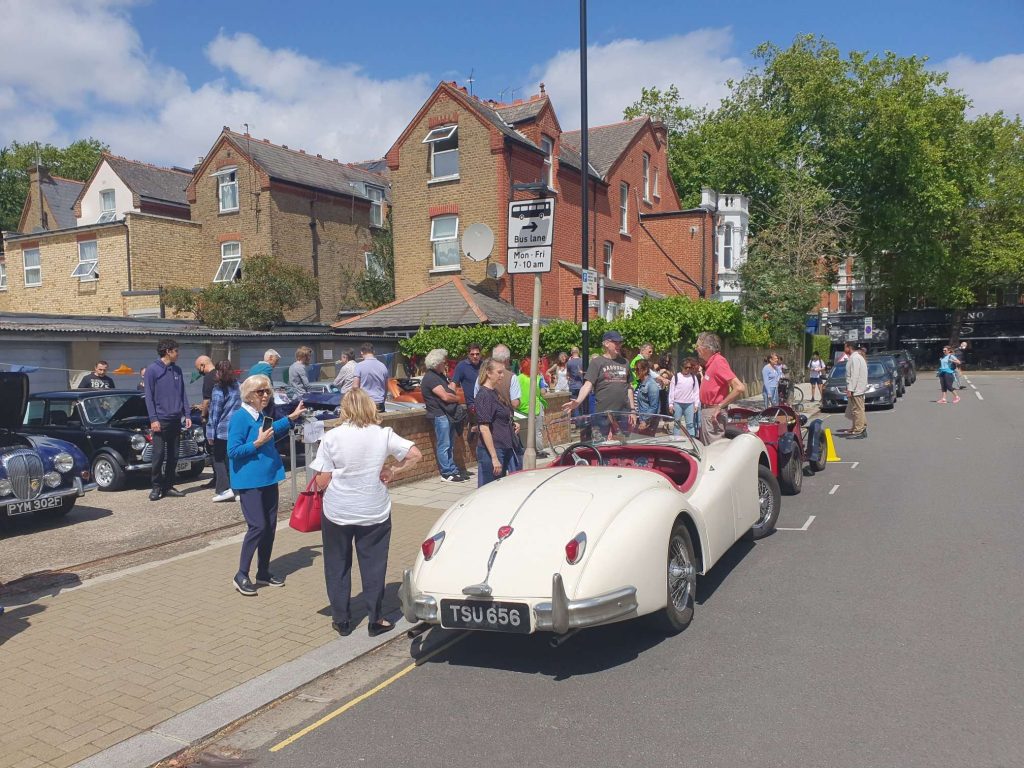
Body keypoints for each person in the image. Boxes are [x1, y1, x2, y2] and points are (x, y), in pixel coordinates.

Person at [311, 388, 422, 637]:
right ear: (370, 407)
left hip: (338, 511)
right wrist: (393, 471)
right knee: (374, 565)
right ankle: (375, 618)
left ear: (345, 408)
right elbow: (415, 454)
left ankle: (341, 619)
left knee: (337, 564)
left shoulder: (332, 436)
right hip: (374, 510)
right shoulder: (383, 434)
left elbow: (321, 480)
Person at [227, 375, 305, 596]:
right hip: (249, 481)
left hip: (269, 477)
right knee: (258, 526)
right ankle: (241, 574)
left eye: (267, 391)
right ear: (249, 395)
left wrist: (291, 418)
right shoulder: (240, 418)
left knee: (269, 527)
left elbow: (271, 430)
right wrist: (256, 444)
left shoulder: (260, 415)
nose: (265, 395)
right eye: (260, 392)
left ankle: (263, 571)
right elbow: (232, 452)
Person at [562, 331, 636, 436]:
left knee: (622, 445)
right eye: (616, 342)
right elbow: (587, 385)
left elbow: (629, 387)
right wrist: (577, 401)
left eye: (620, 343)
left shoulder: (625, 362)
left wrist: (632, 410)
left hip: (622, 412)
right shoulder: (597, 362)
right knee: (601, 445)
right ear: (606, 343)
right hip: (602, 413)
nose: (619, 345)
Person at [143, 339, 191, 501]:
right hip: (160, 420)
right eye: (176, 351)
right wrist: (153, 419)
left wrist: (187, 414)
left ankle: (169, 485)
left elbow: (182, 393)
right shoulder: (152, 370)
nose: (178, 354)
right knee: (158, 454)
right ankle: (156, 487)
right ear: (168, 351)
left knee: (174, 455)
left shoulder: (177, 370)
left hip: (176, 418)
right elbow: (148, 396)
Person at [474, 358, 521, 486]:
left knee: (499, 488)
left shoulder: (494, 392)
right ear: (488, 373)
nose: (502, 375)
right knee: (488, 489)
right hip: (492, 450)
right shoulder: (484, 395)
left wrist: (512, 424)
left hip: (503, 446)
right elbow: (484, 428)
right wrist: (494, 457)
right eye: (499, 372)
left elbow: (500, 417)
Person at [421, 349, 465, 482]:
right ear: (437, 363)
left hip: (447, 415)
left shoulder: (440, 376)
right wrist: (457, 398)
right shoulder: (430, 378)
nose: (445, 364)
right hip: (439, 415)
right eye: (443, 362)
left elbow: (450, 391)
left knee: (450, 444)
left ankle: (452, 469)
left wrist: (453, 394)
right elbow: (445, 396)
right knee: (444, 444)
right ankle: (446, 473)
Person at [695, 332, 747, 444]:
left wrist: (719, 407)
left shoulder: (718, 362)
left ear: (707, 348)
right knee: (708, 449)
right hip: (708, 412)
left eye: (698, 346)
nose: (696, 349)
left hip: (713, 413)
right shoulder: (712, 363)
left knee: (714, 450)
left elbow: (739, 387)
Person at [206, 360, 242, 502]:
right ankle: (238, 489)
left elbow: (215, 412)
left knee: (219, 459)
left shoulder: (218, 389)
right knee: (234, 460)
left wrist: (210, 432)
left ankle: (223, 489)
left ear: (218, 372)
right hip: (237, 428)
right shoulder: (238, 386)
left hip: (222, 430)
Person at [514, 369, 549, 457]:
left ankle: (525, 449)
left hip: (521, 408)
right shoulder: (538, 378)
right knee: (537, 430)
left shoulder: (518, 378)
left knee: (524, 431)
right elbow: (543, 392)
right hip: (535, 408)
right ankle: (539, 451)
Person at [840, 342, 868, 438]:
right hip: (857, 388)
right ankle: (859, 427)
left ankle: (858, 430)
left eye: (845, 346)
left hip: (856, 389)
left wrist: (850, 389)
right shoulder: (856, 357)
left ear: (849, 347)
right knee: (858, 409)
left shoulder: (855, 358)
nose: (844, 348)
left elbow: (854, 375)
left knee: (857, 410)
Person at [669, 358, 701, 437]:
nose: (687, 369)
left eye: (689, 368)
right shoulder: (676, 377)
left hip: (689, 404)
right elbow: (671, 391)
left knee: (690, 424)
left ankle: (692, 440)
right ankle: (676, 440)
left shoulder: (693, 377)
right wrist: (671, 404)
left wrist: (696, 404)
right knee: (677, 423)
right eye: (686, 367)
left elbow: (696, 391)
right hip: (677, 403)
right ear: (681, 367)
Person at [353, 342, 388, 412]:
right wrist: (382, 401)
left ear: (362, 352)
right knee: (378, 423)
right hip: (379, 403)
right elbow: (386, 387)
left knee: (365, 423)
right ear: (374, 352)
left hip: (365, 403)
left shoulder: (359, 366)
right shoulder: (383, 366)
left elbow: (355, 387)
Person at [634, 360, 662, 434]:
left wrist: (645, 421)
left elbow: (654, 406)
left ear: (645, 370)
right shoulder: (641, 383)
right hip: (640, 418)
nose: (635, 372)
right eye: (634, 369)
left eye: (637, 369)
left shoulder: (651, 385)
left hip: (647, 421)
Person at [452, 343, 483, 412]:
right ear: (468, 354)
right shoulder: (462, 366)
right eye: (472, 354)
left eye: (477, 354)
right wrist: (454, 401)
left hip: (486, 403)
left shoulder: (484, 365)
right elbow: (453, 384)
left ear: (480, 354)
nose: (475, 356)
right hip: (472, 405)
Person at [566, 347, 584, 411]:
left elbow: (568, 375)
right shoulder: (583, 361)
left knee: (574, 406)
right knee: (582, 406)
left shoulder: (569, 362)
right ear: (578, 352)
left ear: (571, 352)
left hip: (572, 386)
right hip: (582, 386)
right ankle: (582, 420)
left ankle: (576, 420)